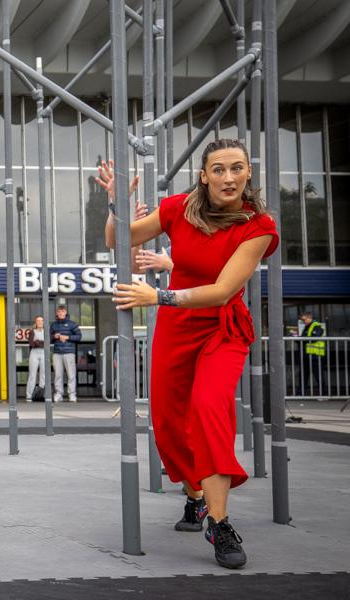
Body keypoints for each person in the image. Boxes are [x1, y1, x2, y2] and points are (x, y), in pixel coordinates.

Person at [103, 138, 279, 570]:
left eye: (237, 168)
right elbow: (117, 239)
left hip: (222, 326)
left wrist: (157, 295)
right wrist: (116, 203)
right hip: (178, 328)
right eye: (218, 169)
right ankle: (196, 496)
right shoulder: (180, 207)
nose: (228, 177)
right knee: (166, 424)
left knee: (208, 408)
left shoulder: (259, 225)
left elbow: (222, 290)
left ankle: (219, 524)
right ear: (204, 175)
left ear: (248, 173)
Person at [49, 305, 81, 403]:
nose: (61, 313)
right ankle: (59, 394)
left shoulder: (72, 324)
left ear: (65, 312)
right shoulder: (53, 325)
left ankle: (72, 394)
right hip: (57, 353)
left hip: (69, 353)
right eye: (59, 311)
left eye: (62, 311)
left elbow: (79, 337)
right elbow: (48, 339)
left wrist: (67, 337)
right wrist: (54, 336)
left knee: (71, 375)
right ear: (57, 313)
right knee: (58, 375)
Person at [298, 311, 326, 397]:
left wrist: (301, 338)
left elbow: (314, 338)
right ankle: (300, 394)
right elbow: (303, 340)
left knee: (318, 376)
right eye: (302, 320)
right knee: (303, 376)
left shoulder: (316, 325)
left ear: (309, 318)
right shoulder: (306, 327)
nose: (303, 321)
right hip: (306, 356)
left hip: (315, 356)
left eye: (304, 319)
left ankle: (323, 394)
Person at [25, 316, 47, 402]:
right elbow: (32, 344)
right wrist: (41, 343)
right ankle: (29, 395)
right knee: (32, 375)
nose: (40, 322)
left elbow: (47, 343)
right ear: (36, 322)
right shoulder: (32, 332)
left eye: (41, 320)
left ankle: (41, 394)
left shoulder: (46, 332)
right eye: (38, 321)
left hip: (43, 353)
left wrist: (37, 342)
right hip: (34, 353)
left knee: (43, 375)